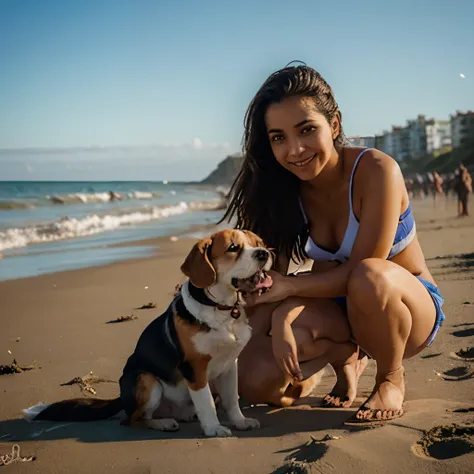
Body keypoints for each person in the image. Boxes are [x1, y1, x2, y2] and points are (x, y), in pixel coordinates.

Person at [221, 64, 445, 424]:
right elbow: (268, 284)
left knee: (369, 276)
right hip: (336, 310)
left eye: (307, 130)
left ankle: (390, 376)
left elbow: (359, 270)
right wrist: (261, 317)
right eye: (278, 137)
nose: (294, 149)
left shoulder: (376, 170)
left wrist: (288, 295)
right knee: (253, 377)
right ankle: (345, 355)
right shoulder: (282, 191)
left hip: (403, 311)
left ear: (335, 125)